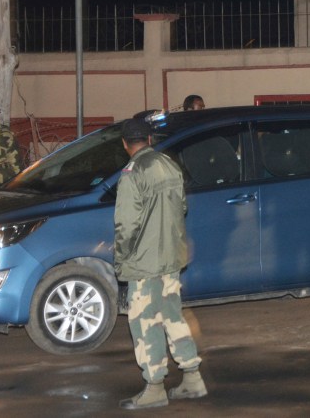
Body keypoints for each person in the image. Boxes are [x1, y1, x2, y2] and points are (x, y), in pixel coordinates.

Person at [114, 118, 207, 410]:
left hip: (144, 262)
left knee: (144, 322)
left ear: (125, 144)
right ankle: (192, 377)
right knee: (172, 316)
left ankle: (154, 388)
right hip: (171, 257)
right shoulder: (169, 165)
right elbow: (182, 207)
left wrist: (121, 260)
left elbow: (126, 224)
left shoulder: (133, 172)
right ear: (150, 139)